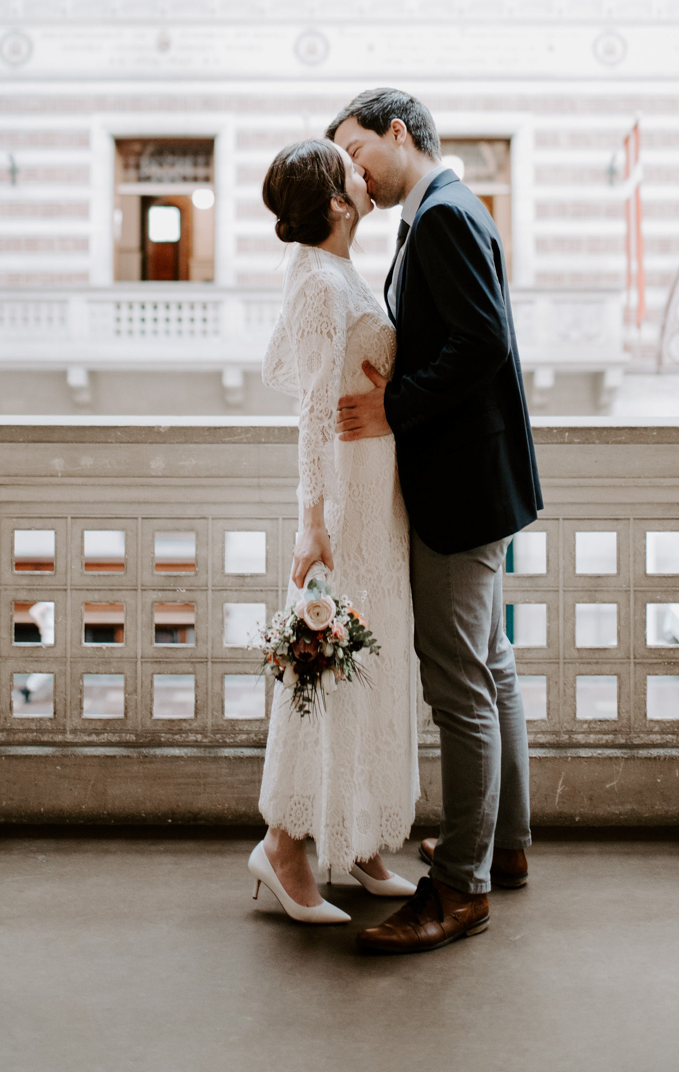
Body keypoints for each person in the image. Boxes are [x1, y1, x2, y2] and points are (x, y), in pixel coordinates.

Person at [329, 88, 542, 956]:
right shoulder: (443, 211)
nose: (353, 171)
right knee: (490, 666)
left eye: (356, 151)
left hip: (461, 488)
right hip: (481, 481)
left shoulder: (445, 215)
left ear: (397, 132)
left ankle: (461, 886)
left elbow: (482, 342)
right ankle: (503, 844)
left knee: (457, 684)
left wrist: (395, 410)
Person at [248, 138, 420, 924]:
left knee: (373, 660)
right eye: (349, 165)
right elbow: (312, 410)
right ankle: (284, 847)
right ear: (339, 201)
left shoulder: (343, 272)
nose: (364, 167)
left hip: (379, 488)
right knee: (329, 666)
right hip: (344, 499)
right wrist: (310, 523)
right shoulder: (318, 281)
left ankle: (355, 840)